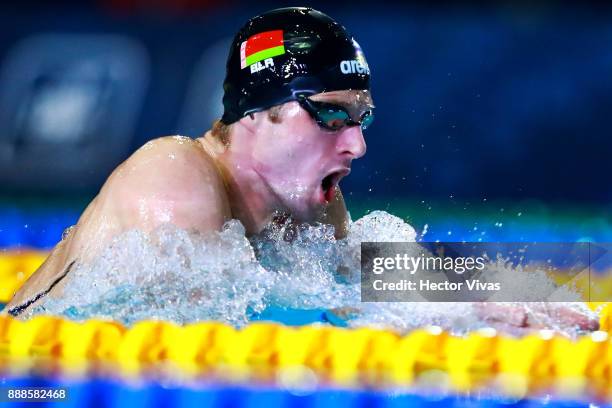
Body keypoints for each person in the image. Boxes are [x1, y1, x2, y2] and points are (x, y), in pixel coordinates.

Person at [2, 7, 599, 332]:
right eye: (332, 116)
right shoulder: (174, 177)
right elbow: (203, 331)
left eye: (361, 118)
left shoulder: (307, 203)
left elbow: (349, 279)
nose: (357, 147)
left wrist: (498, 292)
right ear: (260, 112)